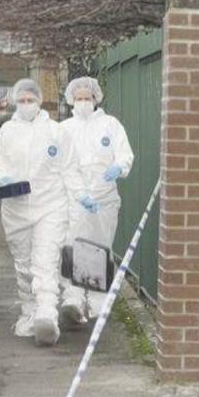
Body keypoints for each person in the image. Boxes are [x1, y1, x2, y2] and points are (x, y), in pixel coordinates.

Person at [0, 78, 83, 345]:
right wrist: (2, 177)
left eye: (31, 100)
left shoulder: (55, 132)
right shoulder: (6, 132)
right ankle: (29, 313)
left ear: (39, 101)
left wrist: (80, 196)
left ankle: (46, 315)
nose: (27, 104)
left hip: (50, 205)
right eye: (22, 100)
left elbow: (69, 168)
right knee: (24, 264)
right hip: (16, 208)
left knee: (45, 260)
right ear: (16, 102)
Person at [58, 76, 134, 324]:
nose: (82, 102)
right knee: (73, 247)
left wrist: (118, 168)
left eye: (86, 98)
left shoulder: (110, 125)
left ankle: (99, 303)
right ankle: (73, 299)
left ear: (95, 98)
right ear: (71, 100)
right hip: (75, 199)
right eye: (78, 98)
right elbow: (60, 165)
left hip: (104, 199)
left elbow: (125, 155)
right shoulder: (65, 129)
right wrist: (78, 193)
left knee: (101, 249)